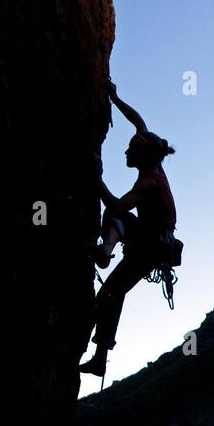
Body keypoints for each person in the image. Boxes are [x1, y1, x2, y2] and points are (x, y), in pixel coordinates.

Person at [79, 83, 178, 376]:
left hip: (150, 248)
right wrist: (115, 98)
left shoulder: (148, 183)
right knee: (114, 292)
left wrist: (94, 177)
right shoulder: (155, 167)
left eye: (130, 150)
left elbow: (117, 205)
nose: (125, 151)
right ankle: (105, 251)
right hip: (152, 236)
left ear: (141, 158)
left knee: (110, 293)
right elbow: (139, 123)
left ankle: (99, 358)